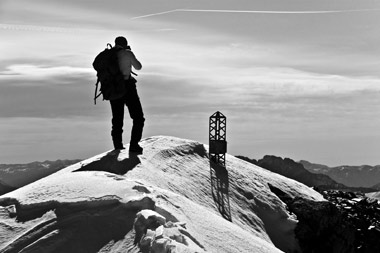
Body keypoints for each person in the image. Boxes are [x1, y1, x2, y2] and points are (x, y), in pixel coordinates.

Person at [110, 36, 144, 153]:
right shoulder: (127, 53)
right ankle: (134, 145)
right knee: (138, 117)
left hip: (113, 88)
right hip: (127, 86)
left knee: (117, 119)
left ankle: (117, 146)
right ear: (125, 43)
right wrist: (129, 53)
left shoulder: (110, 55)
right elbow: (138, 67)